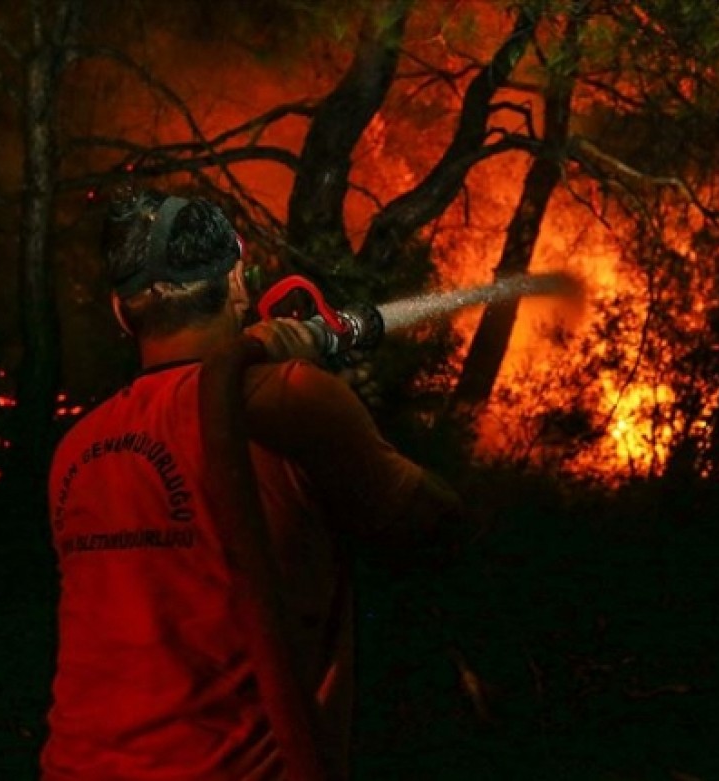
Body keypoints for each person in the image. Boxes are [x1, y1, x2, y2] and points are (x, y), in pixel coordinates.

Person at [41, 189, 467, 781]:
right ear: (238, 286)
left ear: (121, 311)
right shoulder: (288, 398)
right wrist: (351, 408)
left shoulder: (76, 451)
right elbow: (437, 525)